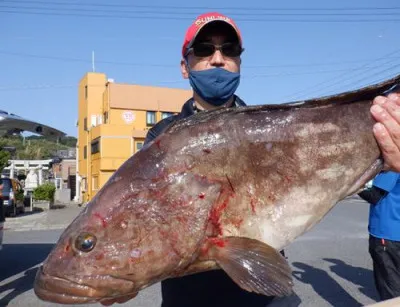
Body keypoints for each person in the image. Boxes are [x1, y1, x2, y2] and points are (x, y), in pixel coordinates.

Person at [102, 10, 400, 307]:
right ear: (185, 66)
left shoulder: (270, 129)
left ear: (239, 63)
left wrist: (389, 157)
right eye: (204, 50)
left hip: (267, 300)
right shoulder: (160, 139)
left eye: (229, 50)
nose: (218, 59)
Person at [358, 172, 400, 301]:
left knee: (390, 286)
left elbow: (373, 196)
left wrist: (355, 185)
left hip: (386, 233)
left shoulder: (394, 168)